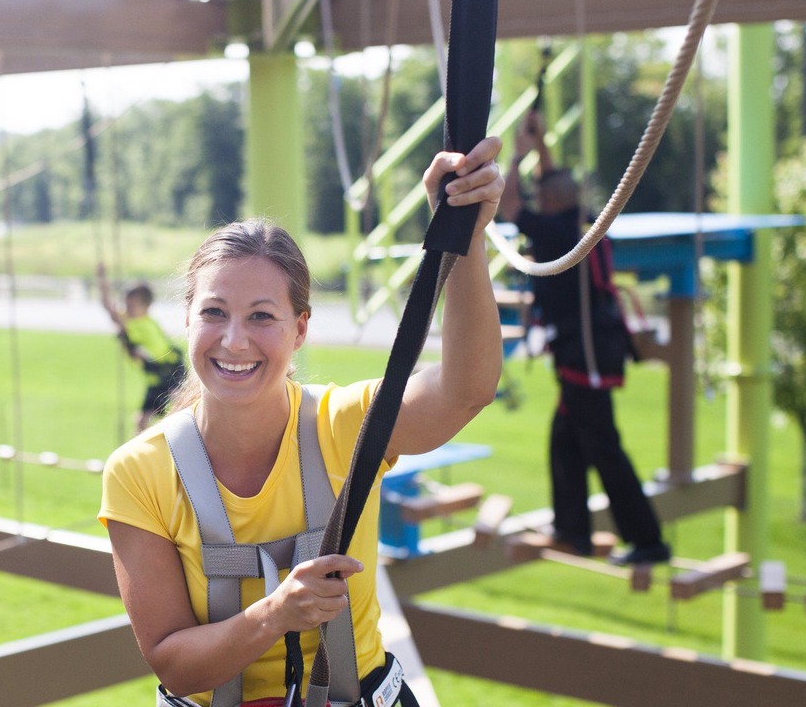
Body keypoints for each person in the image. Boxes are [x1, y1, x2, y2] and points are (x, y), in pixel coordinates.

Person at [99, 137, 504, 706]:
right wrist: (274, 615)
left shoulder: (346, 422)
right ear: (186, 318)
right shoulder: (138, 472)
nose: (234, 340)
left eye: (262, 317)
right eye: (213, 312)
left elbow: (466, 391)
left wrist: (466, 237)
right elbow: (175, 663)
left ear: (301, 329)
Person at [499, 110, 671, 566]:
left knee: (603, 449)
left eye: (543, 193)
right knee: (566, 441)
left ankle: (647, 539)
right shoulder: (582, 221)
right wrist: (542, 147)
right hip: (592, 351)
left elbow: (509, 206)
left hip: (585, 358)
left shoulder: (555, 232)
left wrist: (516, 157)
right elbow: (554, 186)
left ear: (551, 202)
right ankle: (572, 529)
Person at [97, 264, 187, 432]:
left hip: (171, 370)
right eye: (126, 305)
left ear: (146, 306)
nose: (127, 309)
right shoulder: (127, 322)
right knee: (141, 420)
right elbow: (107, 304)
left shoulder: (145, 322)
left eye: (132, 306)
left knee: (180, 408)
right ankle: (140, 454)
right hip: (154, 378)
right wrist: (102, 279)